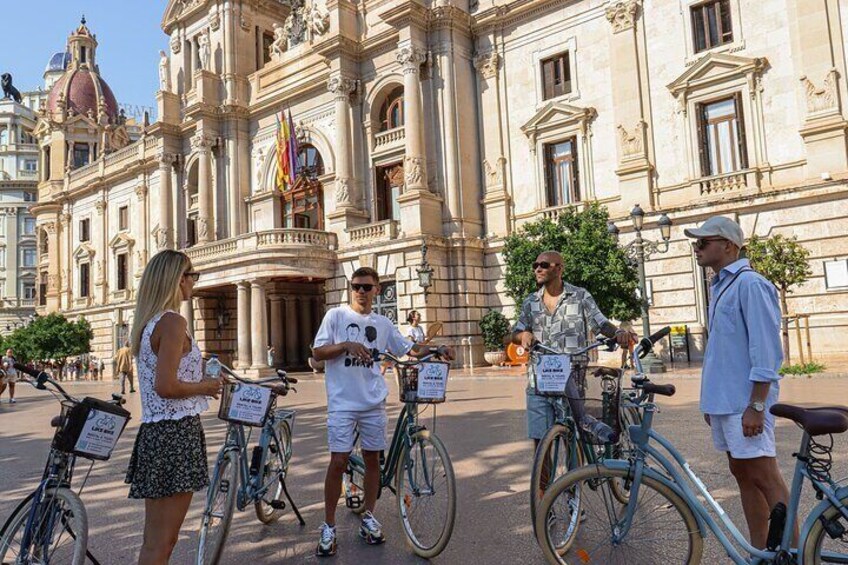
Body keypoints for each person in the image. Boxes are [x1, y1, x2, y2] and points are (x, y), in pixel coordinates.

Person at [311, 266, 453, 557]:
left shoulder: (383, 323)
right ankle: (328, 526)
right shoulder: (336, 316)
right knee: (337, 461)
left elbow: (409, 350)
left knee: (373, 459)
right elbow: (317, 352)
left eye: (366, 286)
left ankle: (369, 517)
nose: (361, 292)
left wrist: (438, 348)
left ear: (377, 289)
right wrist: (346, 345)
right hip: (342, 403)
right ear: (351, 288)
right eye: (356, 286)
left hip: (373, 402)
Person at [685, 216, 790, 548]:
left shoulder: (750, 284)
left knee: (765, 477)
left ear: (728, 245)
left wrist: (757, 405)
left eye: (703, 242)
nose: (696, 249)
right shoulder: (721, 286)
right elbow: (725, 352)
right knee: (744, 477)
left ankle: (794, 551)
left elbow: (766, 351)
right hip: (727, 403)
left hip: (745, 403)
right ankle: (761, 549)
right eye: (695, 243)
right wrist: (711, 402)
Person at [124, 250, 223, 565]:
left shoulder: (149, 322)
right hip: (176, 434)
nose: (193, 281)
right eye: (191, 274)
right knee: (163, 543)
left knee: (154, 542)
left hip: (156, 434)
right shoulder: (173, 321)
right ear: (178, 279)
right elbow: (166, 386)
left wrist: (198, 376)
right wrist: (206, 386)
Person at [510, 251, 632, 465]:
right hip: (538, 381)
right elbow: (514, 333)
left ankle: (573, 485)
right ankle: (542, 495)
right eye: (535, 265)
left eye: (544, 265)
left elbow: (601, 323)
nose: (537, 269)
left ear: (559, 268)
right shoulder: (530, 302)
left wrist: (618, 333)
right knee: (540, 443)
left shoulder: (580, 296)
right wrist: (523, 335)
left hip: (572, 380)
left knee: (573, 436)